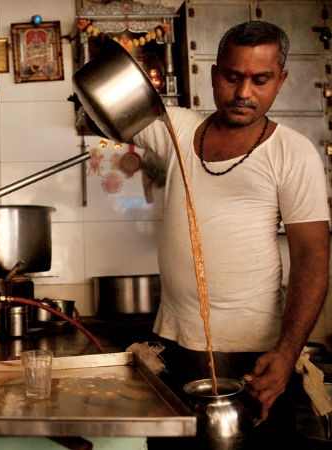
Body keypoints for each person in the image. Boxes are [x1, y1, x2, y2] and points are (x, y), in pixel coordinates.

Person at [133, 21, 330, 447]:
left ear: (281, 81)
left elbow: (313, 259)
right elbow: (103, 111)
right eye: (232, 76)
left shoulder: (293, 153)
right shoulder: (177, 129)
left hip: (257, 357)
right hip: (172, 347)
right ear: (213, 73)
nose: (243, 92)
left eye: (260, 80)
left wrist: (287, 354)